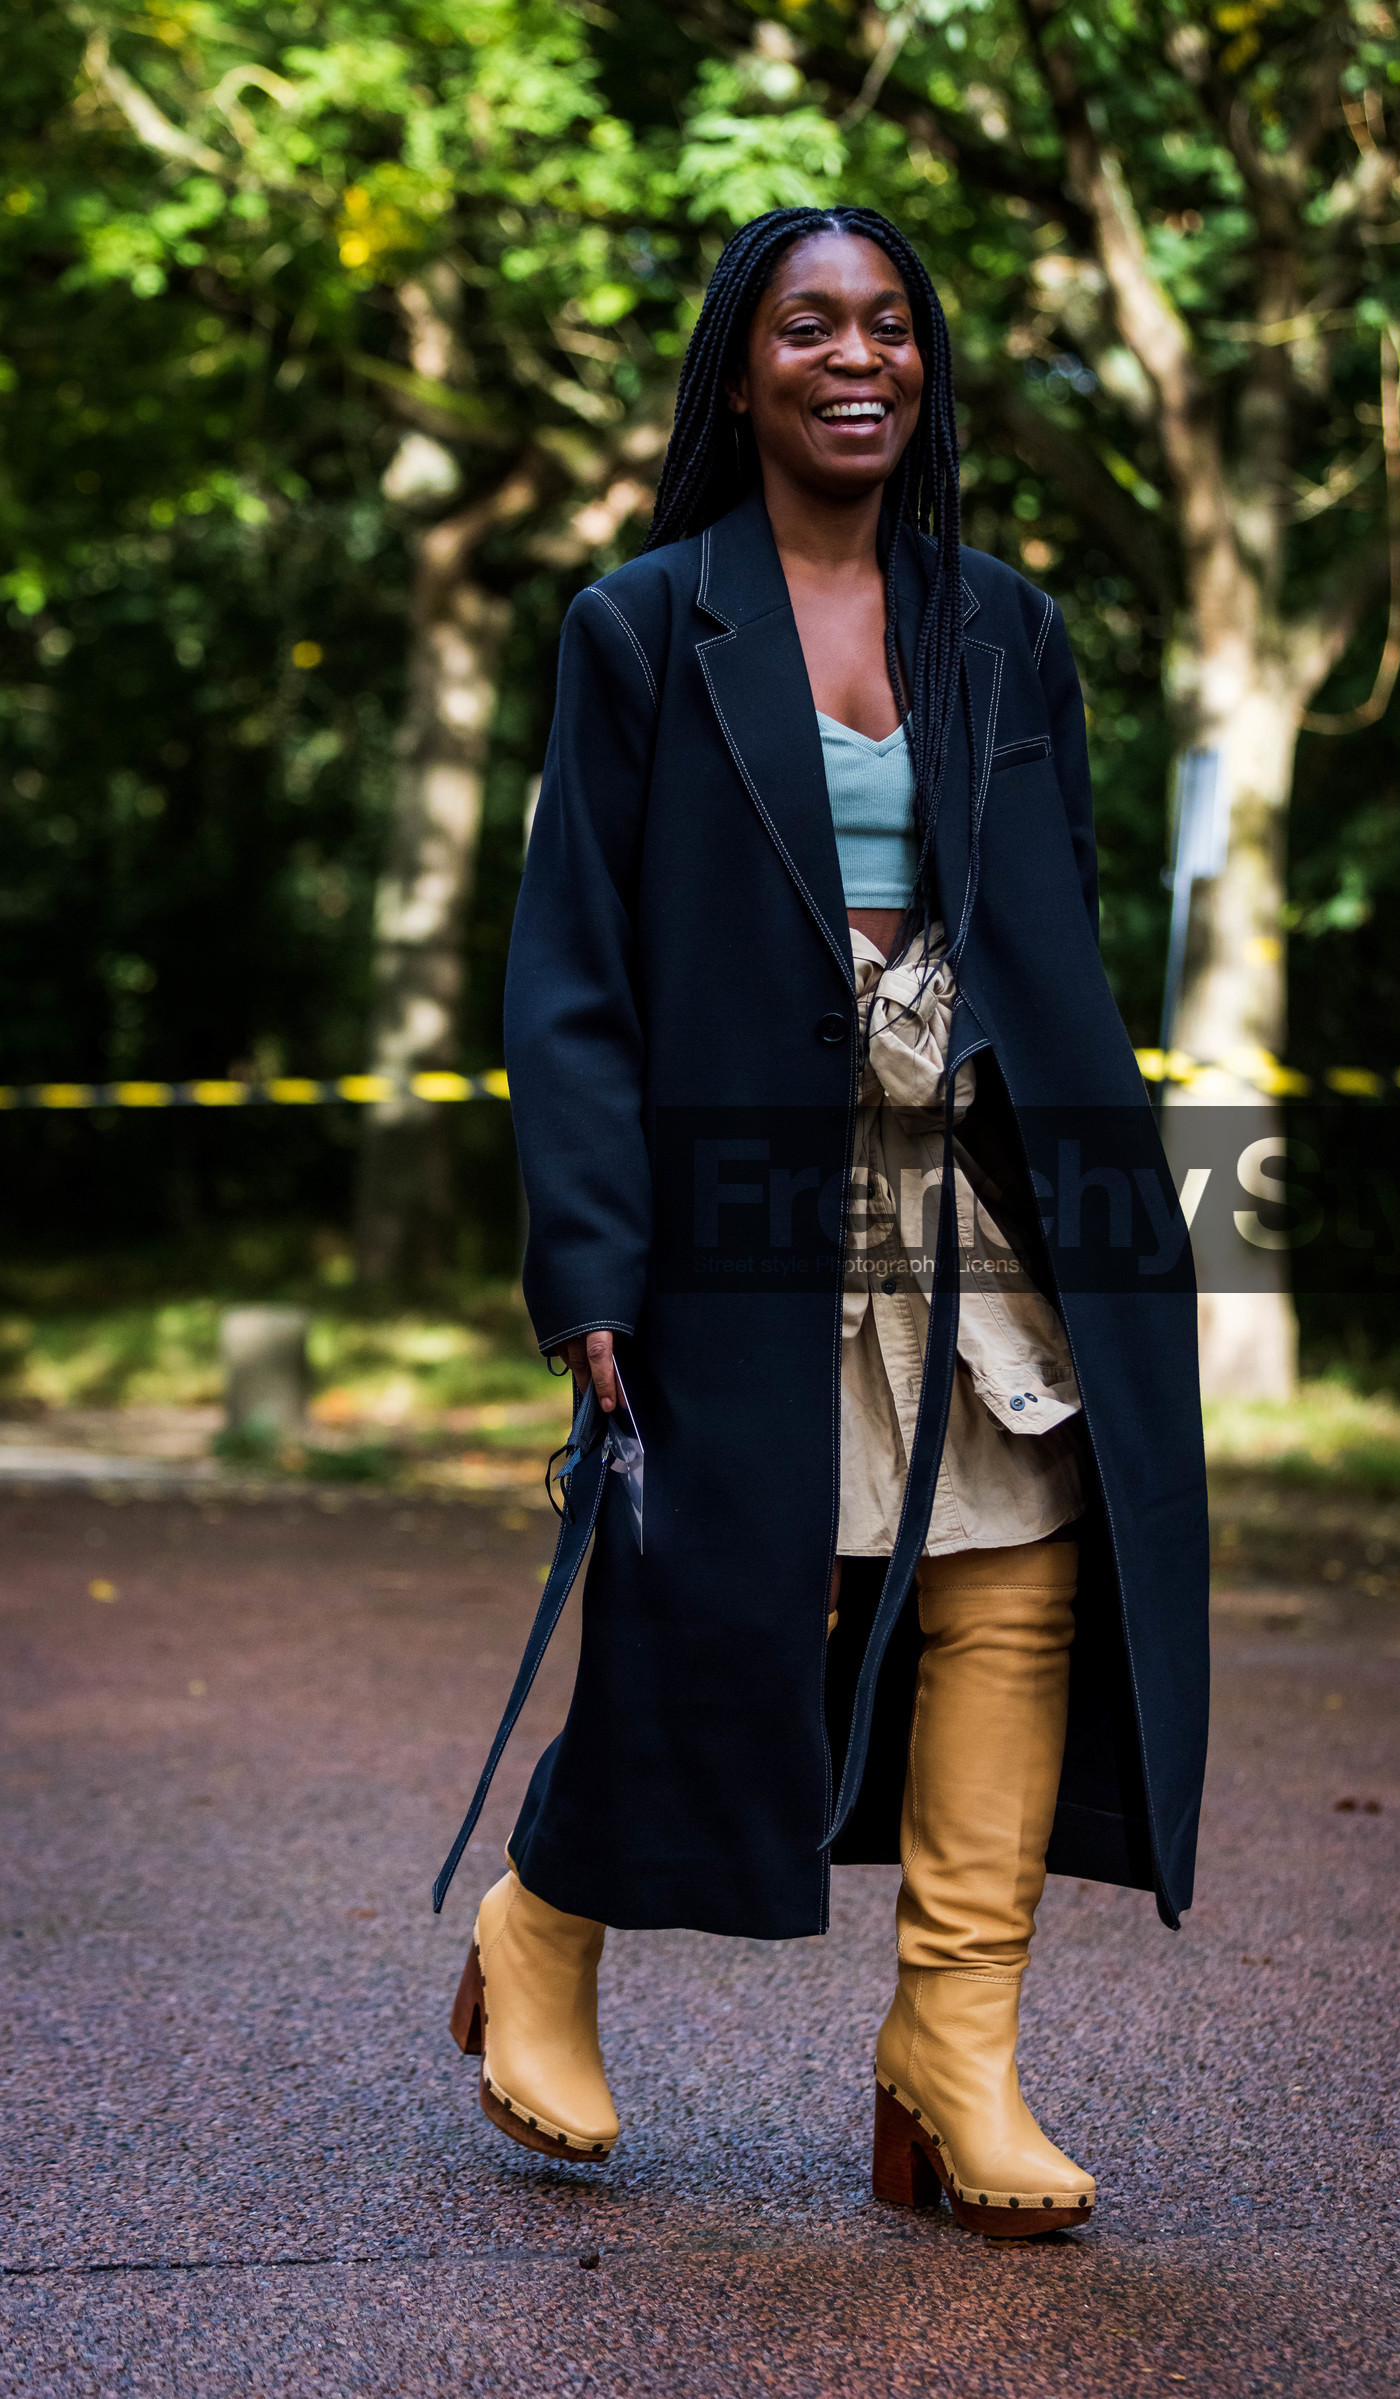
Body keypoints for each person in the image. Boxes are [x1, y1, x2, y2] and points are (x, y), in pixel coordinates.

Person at [440, 206, 1209, 2240]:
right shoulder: (638, 624)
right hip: (733, 1199)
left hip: (980, 1186)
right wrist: (588, 1261)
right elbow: (568, 971)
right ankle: (544, 1931)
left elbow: (1054, 935)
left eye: (887, 324)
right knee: (730, 1581)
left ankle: (950, 2051)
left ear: (922, 365)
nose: (854, 356)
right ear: (740, 369)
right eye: (808, 326)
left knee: (1018, 1570)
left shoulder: (1004, 628)